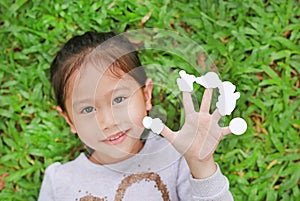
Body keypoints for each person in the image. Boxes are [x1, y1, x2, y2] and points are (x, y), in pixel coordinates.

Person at [38, 31, 234, 201]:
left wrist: (201, 166)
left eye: (119, 99)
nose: (108, 121)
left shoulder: (176, 158)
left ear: (146, 95)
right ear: (69, 120)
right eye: (87, 109)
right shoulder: (59, 181)